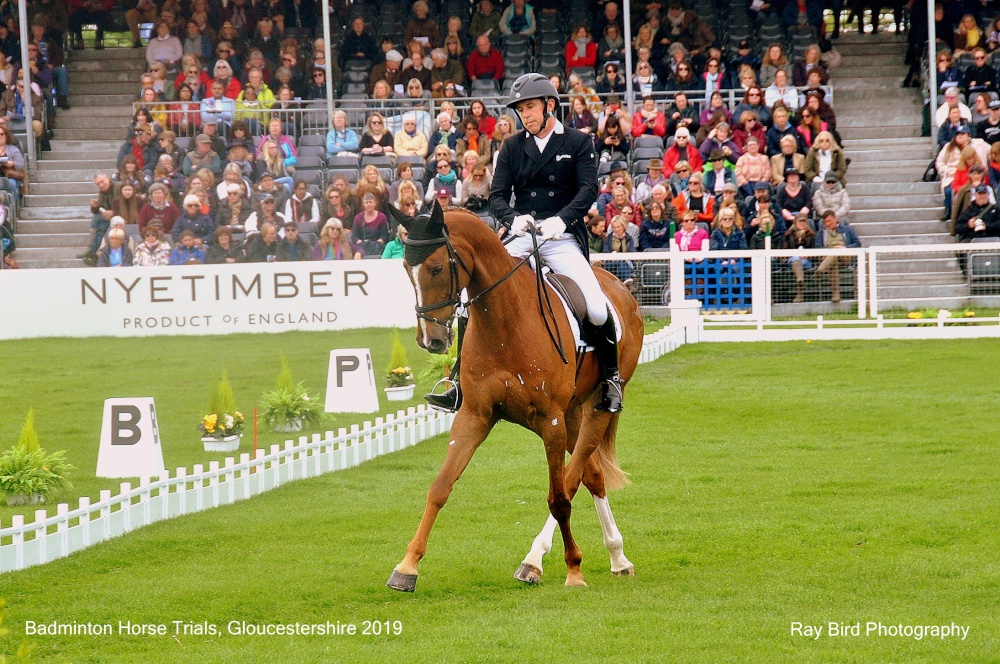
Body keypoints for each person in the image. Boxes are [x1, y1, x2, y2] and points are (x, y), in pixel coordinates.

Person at [444, 72, 622, 415]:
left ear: (549, 105)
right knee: (475, 296)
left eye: (530, 107)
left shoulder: (578, 142)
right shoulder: (511, 147)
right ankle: (456, 381)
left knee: (597, 307)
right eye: (521, 109)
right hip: (521, 235)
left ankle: (611, 377)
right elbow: (497, 196)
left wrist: (562, 219)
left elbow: (588, 191)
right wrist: (512, 219)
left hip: (562, 235)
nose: (524, 115)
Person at [814, 210, 861, 303]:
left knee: (835, 252)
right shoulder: (821, 233)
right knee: (833, 262)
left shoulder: (848, 229)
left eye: (829, 221)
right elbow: (818, 247)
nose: (827, 224)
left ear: (836, 219)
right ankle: (836, 294)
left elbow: (857, 243)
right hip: (828, 258)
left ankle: (821, 269)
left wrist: (845, 247)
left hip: (845, 256)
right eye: (825, 222)